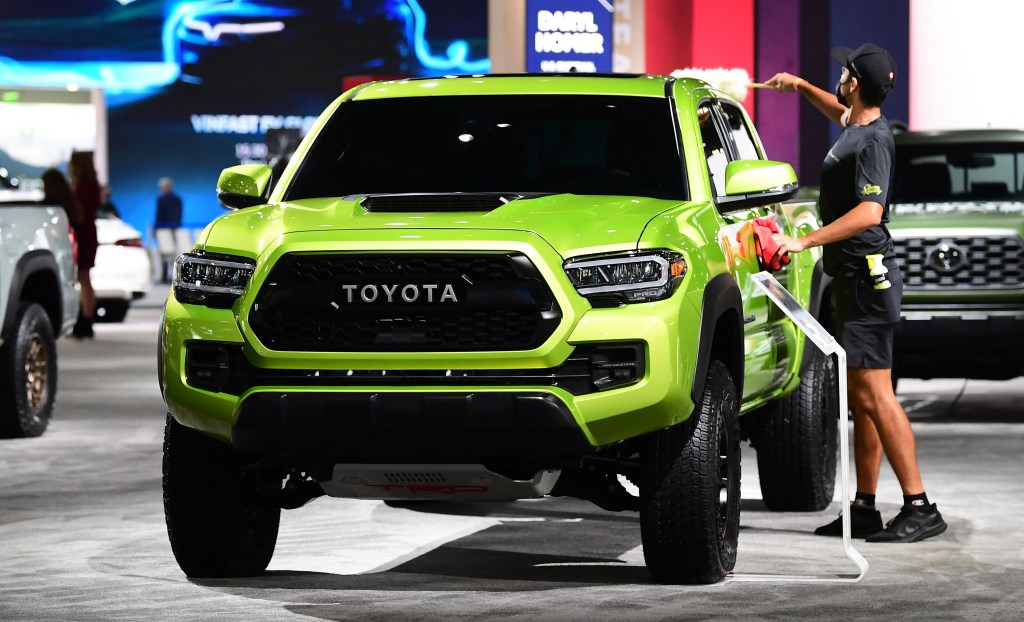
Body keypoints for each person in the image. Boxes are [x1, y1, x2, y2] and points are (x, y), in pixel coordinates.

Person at [764, 43, 947, 542]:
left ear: (857, 82)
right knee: (862, 398)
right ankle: (864, 506)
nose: (839, 78)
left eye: (844, 73)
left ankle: (920, 505)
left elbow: (869, 213)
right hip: (854, 280)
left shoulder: (874, 143)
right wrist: (799, 87)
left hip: (868, 281)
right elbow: (838, 110)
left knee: (876, 395)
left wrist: (800, 240)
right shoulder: (857, 124)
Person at [68, 151, 101, 339]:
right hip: (87, 233)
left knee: (84, 277)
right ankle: (86, 319)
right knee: (84, 277)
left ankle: (86, 320)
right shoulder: (91, 184)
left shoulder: (85, 186)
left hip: (84, 235)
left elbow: (81, 211)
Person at [154, 177, 183, 282]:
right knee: (172, 253)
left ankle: (164, 276)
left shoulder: (161, 199)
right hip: (173, 229)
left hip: (163, 229)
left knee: (164, 253)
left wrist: (156, 229)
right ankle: (172, 276)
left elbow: (159, 215)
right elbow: (179, 215)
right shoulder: (178, 199)